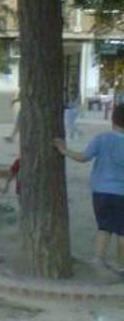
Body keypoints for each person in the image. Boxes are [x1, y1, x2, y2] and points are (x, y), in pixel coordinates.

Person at [53, 104, 124, 275]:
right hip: (121, 193)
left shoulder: (102, 138)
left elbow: (83, 157)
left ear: (112, 118)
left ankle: (98, 259)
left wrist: (64, 150)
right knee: (122, 232)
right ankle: (121, 266)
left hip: (100, 191)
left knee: (104, 227)